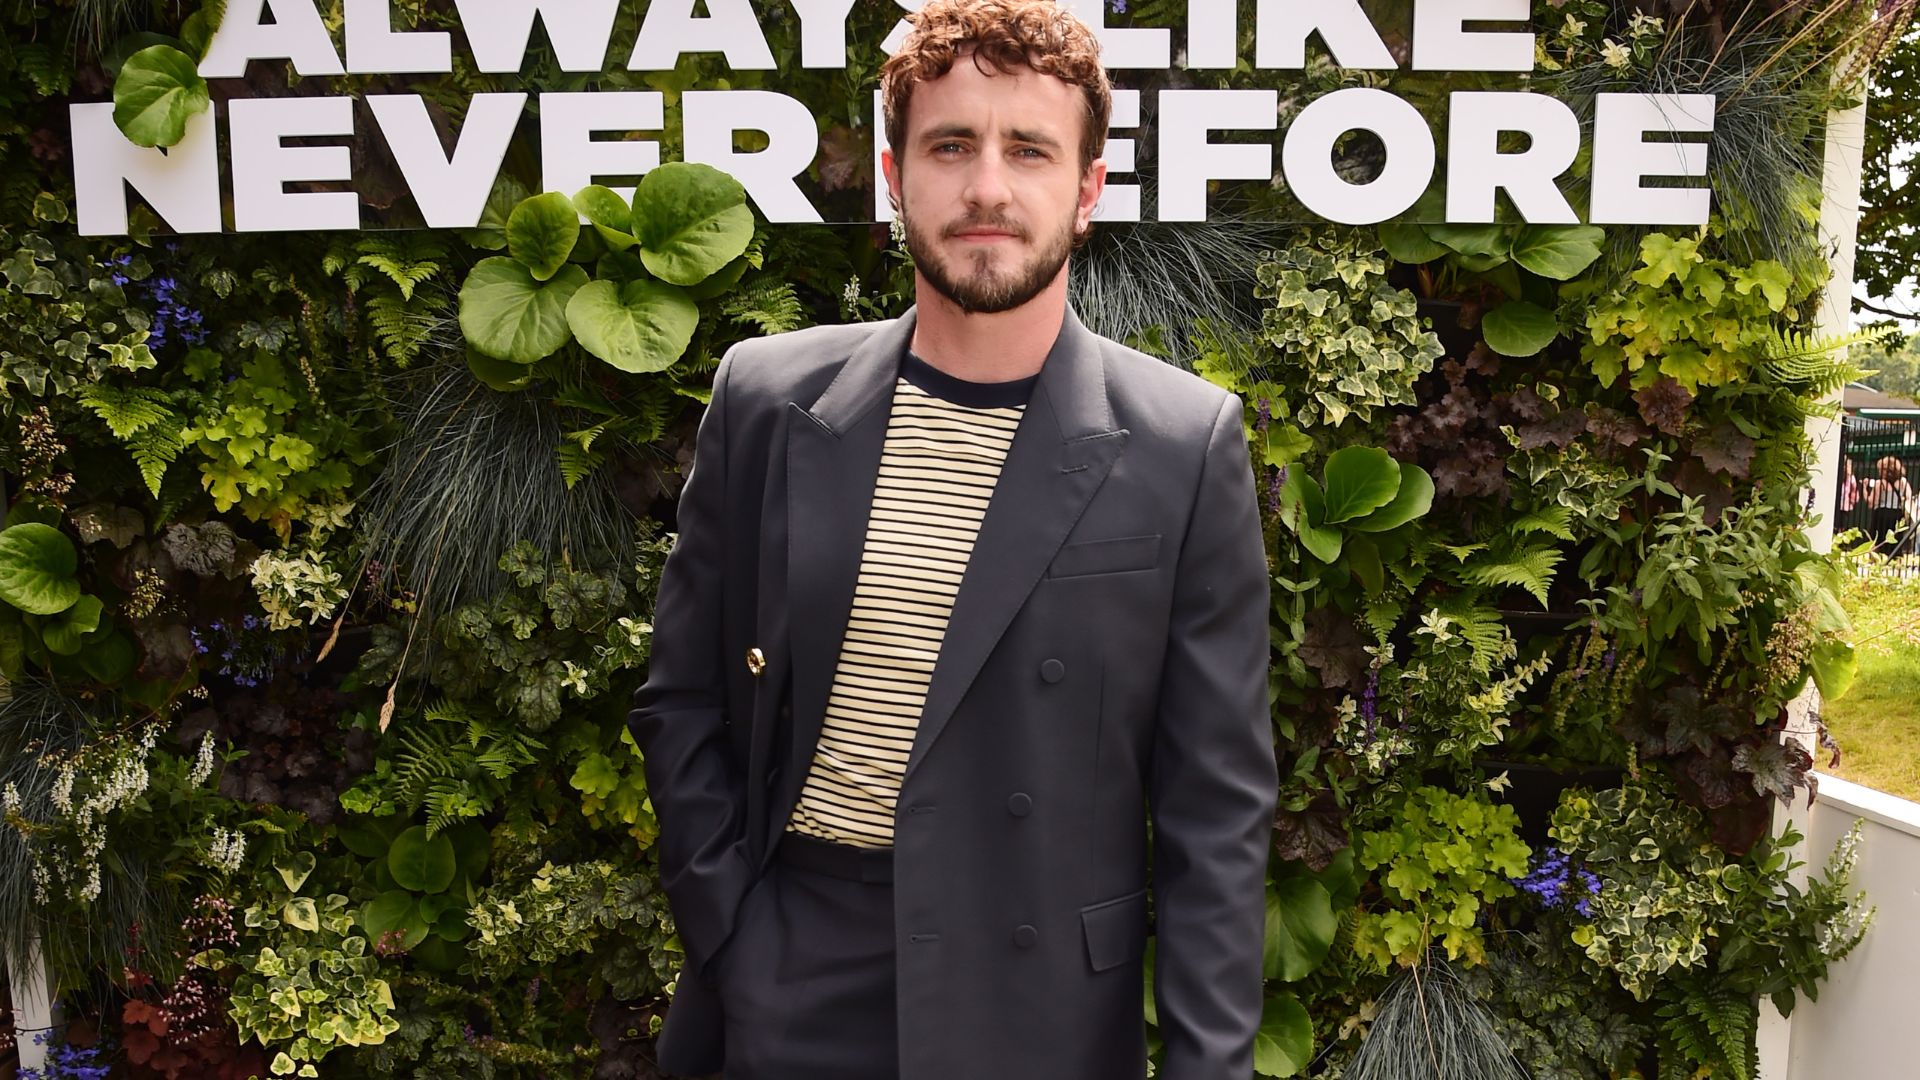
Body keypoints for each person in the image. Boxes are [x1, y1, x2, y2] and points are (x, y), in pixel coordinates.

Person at [625, 1, 1277, 1078]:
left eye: (1029, 150)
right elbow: (684, 695)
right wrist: (730, 928)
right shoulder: (767, 400)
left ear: (1088, 189)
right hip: (791, 981)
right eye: (952, 146)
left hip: (1043, 1009)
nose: (987, 188)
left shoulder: (1181, 444)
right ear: (896, 178)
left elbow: (1215, 811)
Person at [1868, 455, 1913, 556]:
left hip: (1881, 515)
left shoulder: (1880, 483)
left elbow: (1872, 503)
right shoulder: (1903, 482)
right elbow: (1909, 498)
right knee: (1895, 542)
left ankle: (1876, 560)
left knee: (1876, 542)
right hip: (1896, 515)